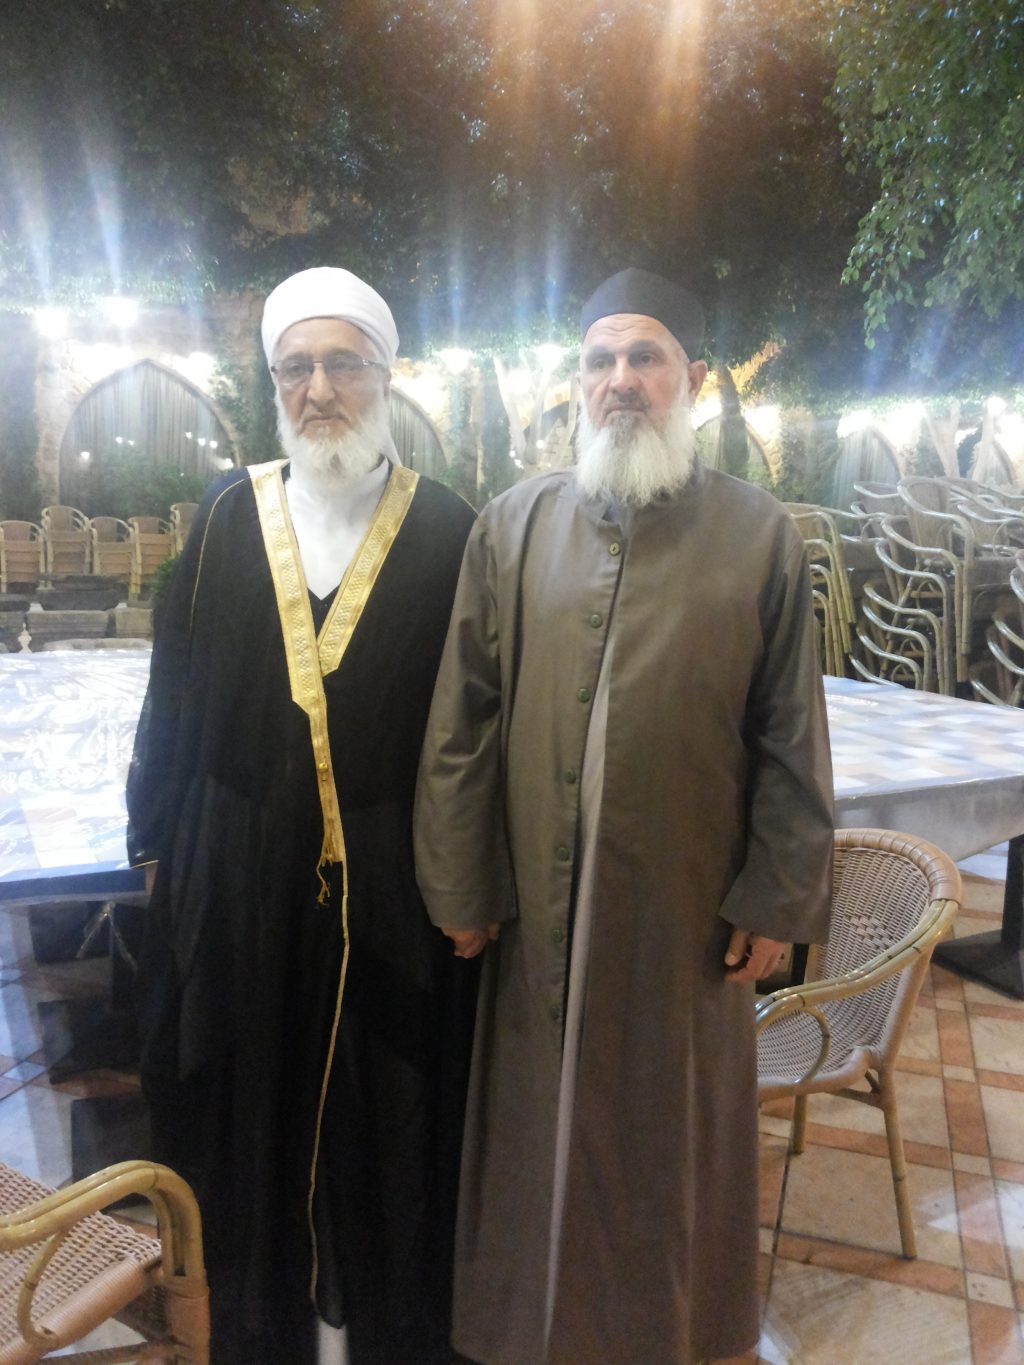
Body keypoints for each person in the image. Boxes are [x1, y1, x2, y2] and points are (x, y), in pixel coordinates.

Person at [414, 267, 834, 1365]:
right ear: (579, 382)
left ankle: (668, 1336)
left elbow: (791, 731)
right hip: (534, 913)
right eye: (600, 360)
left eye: (645, 357)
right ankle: (526, 1330)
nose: (621, 380)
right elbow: (463, 718)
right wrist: (460, 882)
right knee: (533, 1130)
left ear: (690, 378)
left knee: (666, 1136)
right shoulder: (513, 524)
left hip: (684, 911)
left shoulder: (758, 534)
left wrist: (777, 896)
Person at [127, 267, 479, 1365]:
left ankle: (380, 1331)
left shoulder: (450, 528)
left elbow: (480, 719)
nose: (318, 388)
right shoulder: (229, 514)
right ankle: (266, 1330)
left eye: (342, 364)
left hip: (392, 878)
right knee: (252, 1093)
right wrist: (153, 833)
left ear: (385, 374)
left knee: (387, 1107)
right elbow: (173, 686)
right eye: (296, 368)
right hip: (238, 867)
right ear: (273, 381)